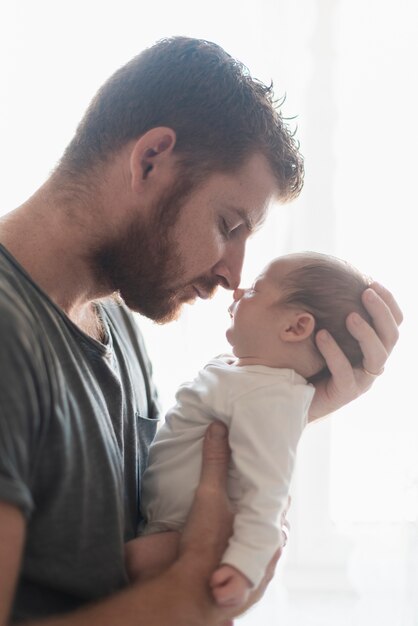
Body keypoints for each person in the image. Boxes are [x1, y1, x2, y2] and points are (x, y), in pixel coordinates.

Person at [0, 36, 401, 626]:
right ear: (151, 159)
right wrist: (190, 601)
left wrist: (290, 403)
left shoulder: (118, 327)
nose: (233, 275)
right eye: (228, 224)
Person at [126, 251, 377, 607]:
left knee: (122, 565)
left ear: (295, 327)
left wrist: (244, 566)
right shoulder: (245, 375)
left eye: (256, 290)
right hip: (163, 523)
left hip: (186, 535)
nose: (238, 291)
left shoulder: (273, 398)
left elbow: (268, 492)